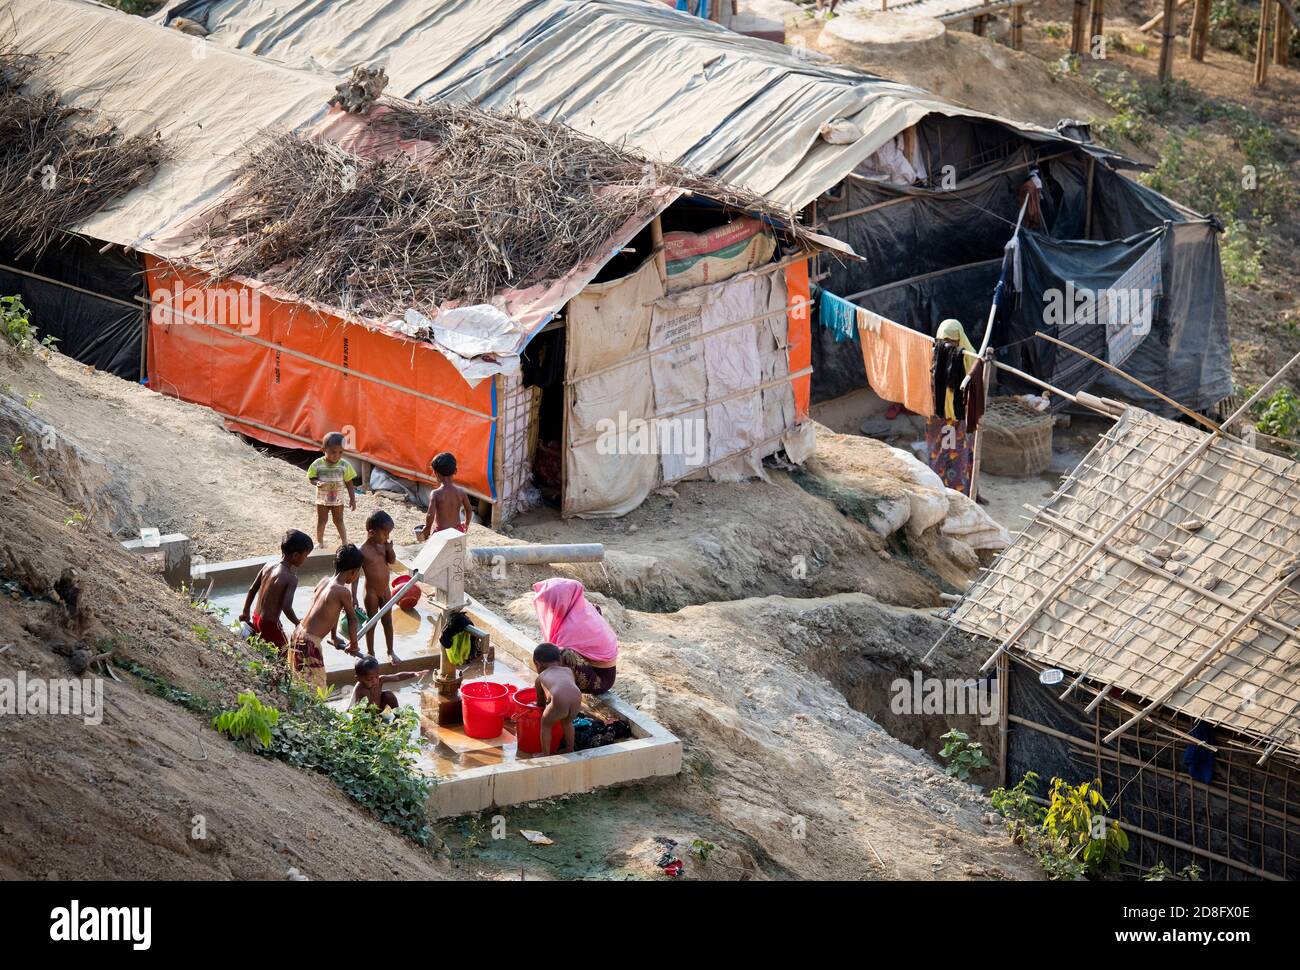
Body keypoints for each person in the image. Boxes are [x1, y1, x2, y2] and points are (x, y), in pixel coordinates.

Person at [289, 544, 365, 688]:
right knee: (316, 686)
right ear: (354, 572)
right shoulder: (343, 591)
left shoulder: (324, 581)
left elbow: (331, 612)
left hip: (298, 633)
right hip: (310, 642)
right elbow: (352, 618)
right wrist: (354, 644)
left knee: (299, 680)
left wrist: (334, 636)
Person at [532, 577, 618, 694]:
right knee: (550, 652)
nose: (550, 608)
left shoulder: (571, 628)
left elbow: (553, 657)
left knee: (559, 654)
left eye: (552, 603)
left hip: (600, 680)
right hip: (596, 667)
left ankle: (563, 696)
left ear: (561, 602)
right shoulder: (581, 608)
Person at [238, 529, 313, 652]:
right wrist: (298, 624)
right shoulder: (291, 578)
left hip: (256, 618)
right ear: (295, 555)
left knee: (265, 650)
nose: (305, 559)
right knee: (285, 654)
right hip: (270, 625)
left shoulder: (268, 565)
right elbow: (286, 607)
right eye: (305, 555)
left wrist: (245, 611)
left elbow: (252, 589)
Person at [927, 318, 977, 495]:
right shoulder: (932, 355)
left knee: (960, 455)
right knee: (938, 452)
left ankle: (962, 492)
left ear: (959, 339)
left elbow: (976, 387)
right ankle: (937, 491)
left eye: (951, 340)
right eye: (943, 340)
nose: (946, 345)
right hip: (937, 415)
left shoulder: (970, 358)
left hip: (959, 415)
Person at [355, 509, 400, 661]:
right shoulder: (362, 551)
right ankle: (371, 653)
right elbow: (354, 577)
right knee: (371, 623)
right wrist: (353, 597)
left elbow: (392, 561)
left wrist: (389, 549)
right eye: (385, 533)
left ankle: (390, 651)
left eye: (389, 533)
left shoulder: (383, 545)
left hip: (385, 590)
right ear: (372, 532)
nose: (387, 537)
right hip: (371, 592)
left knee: (388, 621)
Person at [308, 432, 358, 546]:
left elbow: (349, 483)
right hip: (322, 500)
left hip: (338, 500)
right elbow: (311, 477)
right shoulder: (317, 464)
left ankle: (345, 542)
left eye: (341, 452)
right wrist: (316, 482)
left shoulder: (344, 465)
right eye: (333, 452)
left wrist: (352, 499)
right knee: (322, 520)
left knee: (339, 520)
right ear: (323, 449)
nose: (337, 455)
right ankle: (320, 542)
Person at [532, 642, 581, 756]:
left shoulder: (540, 677)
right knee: (567, 722)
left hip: (559, 698)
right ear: (560, 660)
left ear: (537, 664)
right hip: (577, 696)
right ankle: (570, 750)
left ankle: (546, 754)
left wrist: (546, 707)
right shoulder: (568, 671)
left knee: (546, 724)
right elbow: (567, 685)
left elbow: (540, 703)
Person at [416, 451, 473, 539]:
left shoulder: (436, 494)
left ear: (435, 473)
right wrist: (466, 524)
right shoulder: (461, 491)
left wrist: (427, 528)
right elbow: (469, 510)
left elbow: (430, 515)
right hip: (457, 531)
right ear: (455, 471)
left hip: (441, 533)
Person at [349, 655, 416, 713]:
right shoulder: (359, 689)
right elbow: (352, 707)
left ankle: (397, 716)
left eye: (376, 676)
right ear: (359, 679)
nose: (374, 681)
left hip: (380, 710)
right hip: (367, 716)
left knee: (388, 695)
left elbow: (397, 677)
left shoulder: (380, 680)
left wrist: (414, 674)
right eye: (369, 679)